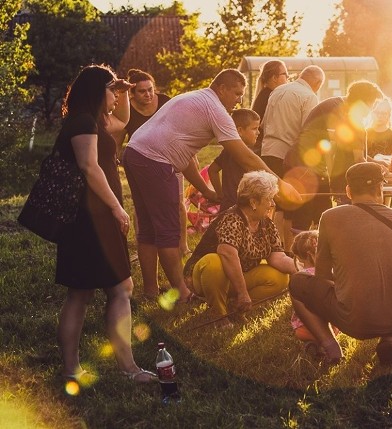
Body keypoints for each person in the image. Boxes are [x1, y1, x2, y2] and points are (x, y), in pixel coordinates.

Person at [122, 69, 301, 304]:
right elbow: (246, 157)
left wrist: (205, 190)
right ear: (222, 88)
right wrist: (282, 185)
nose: (239, 99)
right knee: (168, 231)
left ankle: (151, 291)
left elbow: (182, 153)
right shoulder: (215, 110)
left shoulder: (193, 97)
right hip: (155, 161)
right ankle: (183, 294)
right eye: (236, 93)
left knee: (147, 229)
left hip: (134, 153)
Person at [54, 64, 155, 383]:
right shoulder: (84, 122)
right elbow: (88, 166)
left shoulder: (94, 120)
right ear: (99, 92)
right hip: (92, 218)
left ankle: (73, 369)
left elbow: (123, 121)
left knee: (87, 292)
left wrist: (122, 89)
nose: (116, 97)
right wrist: (116, 207)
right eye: (113, 91)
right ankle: (127, 369)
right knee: (113, 289)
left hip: (91, 218)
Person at [289, 162, 392, 366]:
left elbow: (322, 275)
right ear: (379, 189)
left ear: (348, 191)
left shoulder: (330, 217)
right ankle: (389, 339)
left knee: (298, 282)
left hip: (358, 322)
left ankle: (331, 347)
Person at [183, 171, 297, 328]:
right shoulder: (232, 219)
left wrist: (303, 270)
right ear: (253, 202)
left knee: (280, 277)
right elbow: (228, 255)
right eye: (269, 199)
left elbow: (278, 257)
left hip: (238, 277)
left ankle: (235, 308)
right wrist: (243, 293)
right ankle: (219, 314)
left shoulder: (266, 224)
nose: (272, 204)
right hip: (207, 277)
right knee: (214, 261)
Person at [113, 69, 190, 298]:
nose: (147, 95)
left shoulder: (165, 102)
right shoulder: (127, 111)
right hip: (143, 165)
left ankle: (182, 244)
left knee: (177, 203)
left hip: (171, 160)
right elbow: (118, 138)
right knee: (146, 216)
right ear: (132, 93)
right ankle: (156, 287)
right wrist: (115, 156)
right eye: (141, 91)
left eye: (150, 90)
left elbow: (181, 131)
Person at [287, 80, 384, 228]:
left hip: (318, 167)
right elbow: (352, 155)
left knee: (321, 214)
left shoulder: (345, 111)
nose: (371, 110)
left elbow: (352, 150)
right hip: (304, 163)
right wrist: (374, 171)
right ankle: (293, 251)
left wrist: (375, 163)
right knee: (303, 217)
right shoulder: (338, 111)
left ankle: (314, 249)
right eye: (371, 104)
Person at [260, 65, 325, 246]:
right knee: (291, 206)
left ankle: (275, 247)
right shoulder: (309, 97)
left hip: (268, 152)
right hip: (288, 156)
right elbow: (308, 133)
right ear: (317, 83)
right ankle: (287, 251)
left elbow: (264, 123)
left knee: (277, 204)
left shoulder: (278, 90)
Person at [209, 108, 261, 212]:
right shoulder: (248, 155)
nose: (258, 132)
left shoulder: (228, 151)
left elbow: (212, 170)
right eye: (254, 128)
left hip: (226, 205)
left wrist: (220, 194)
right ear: (240, 131)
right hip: (243, 207)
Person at [251, 60, 289, 155]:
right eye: (285, 74)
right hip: (265, 150)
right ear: (274, 78)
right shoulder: (271, 97)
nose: (288, 78)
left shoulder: (265, 94)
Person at [366, 97, 392, 167]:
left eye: (383, 113)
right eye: (377, 112)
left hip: (386, 174)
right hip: (366, 172)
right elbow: (360, 157)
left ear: (389, 115)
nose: (379, 116)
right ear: (372, 113)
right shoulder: (365, 133)